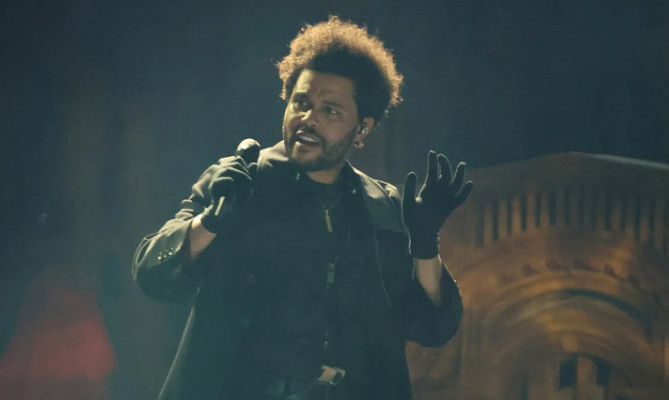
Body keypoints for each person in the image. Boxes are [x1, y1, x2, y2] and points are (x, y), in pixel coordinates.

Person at [133, 16, 473, 400]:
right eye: (301, 103)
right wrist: (210, 222)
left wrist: (425, 245)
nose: (308, 119)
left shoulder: (381, 206)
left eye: (330, 110)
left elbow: (432, 327)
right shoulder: (241, 181)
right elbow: (152, 273)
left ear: (362, 129)